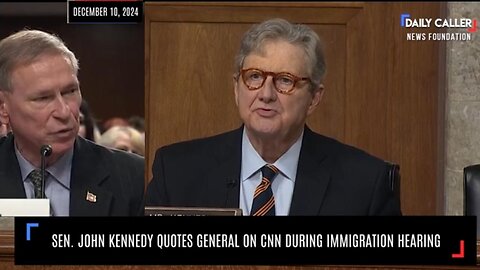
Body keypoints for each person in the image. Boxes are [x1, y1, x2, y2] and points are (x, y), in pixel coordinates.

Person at [145, 18, 401, 216]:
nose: (266, 94)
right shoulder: (178, 173)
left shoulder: (365, 184)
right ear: (237, 88)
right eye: (254, 77)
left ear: (314, 98)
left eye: (284, 81)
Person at [0, 29, 145, 216]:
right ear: (3, 108)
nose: (64, 111)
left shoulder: (133, 177)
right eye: (43, 98)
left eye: (70, 92)